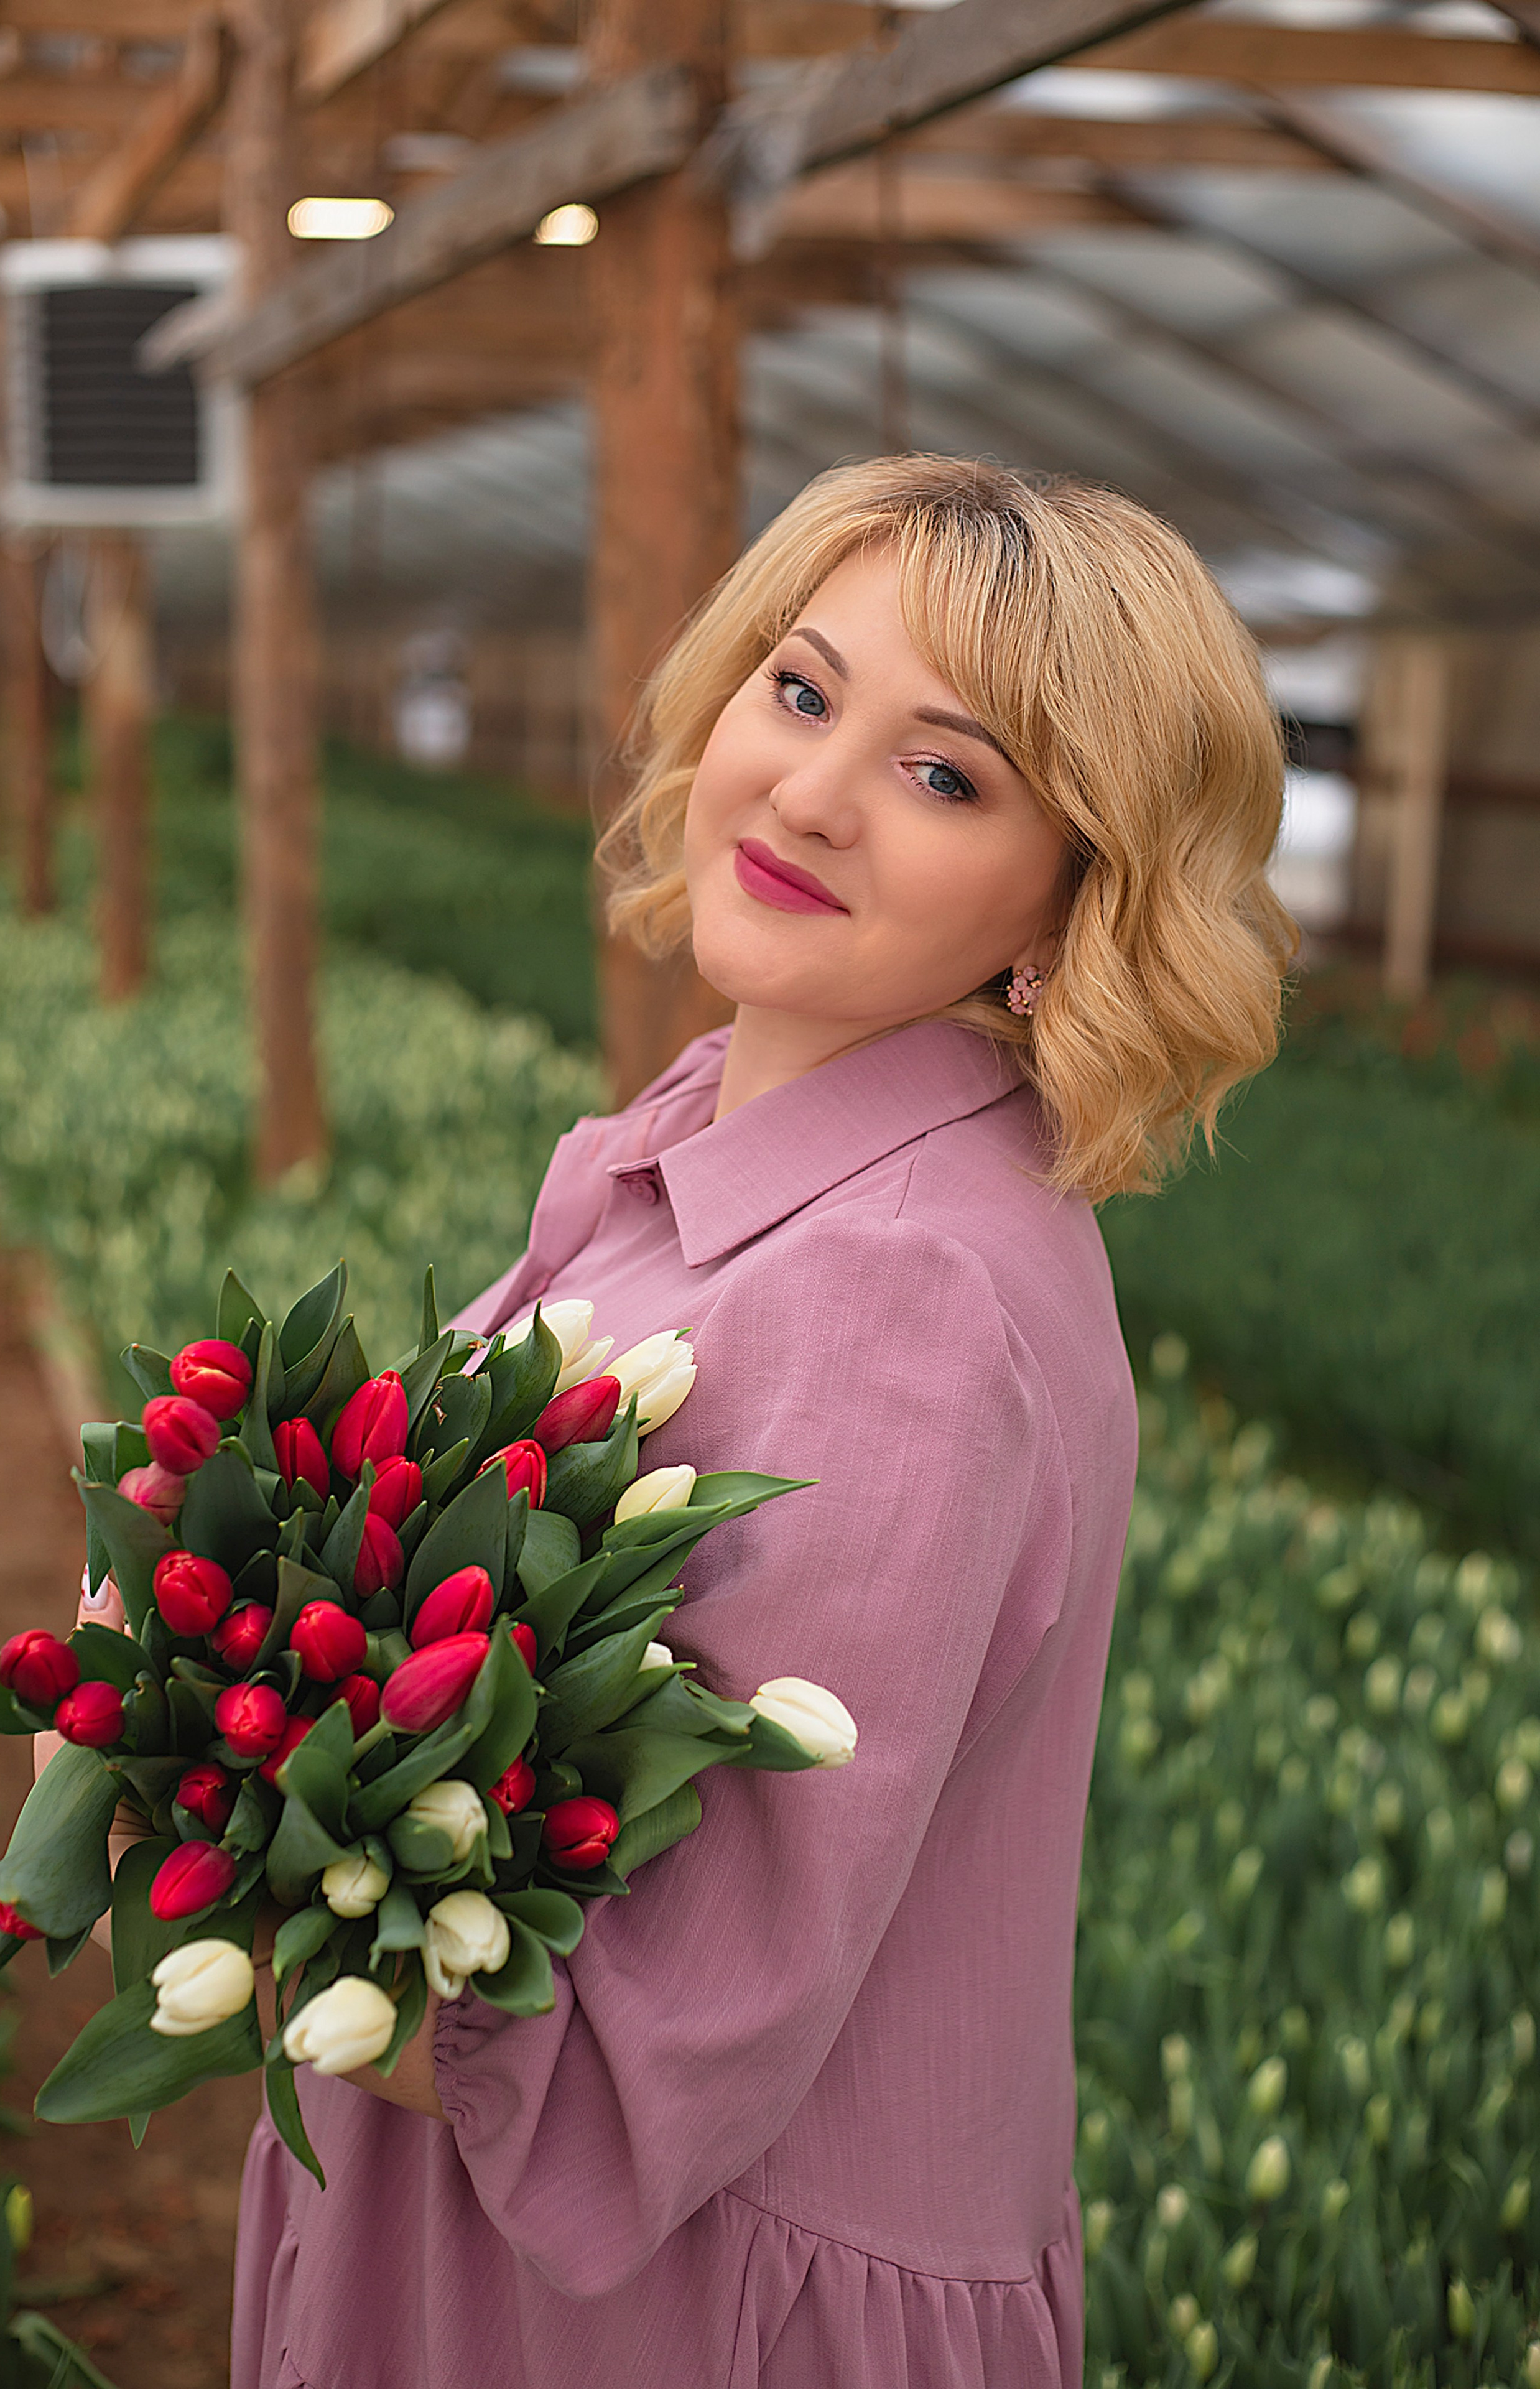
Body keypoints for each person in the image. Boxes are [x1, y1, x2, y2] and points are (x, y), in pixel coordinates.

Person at [225, 456, 1294, 2388]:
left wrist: (205, 1850)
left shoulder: (906, 1294)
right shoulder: (728, 1147)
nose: (810, 789)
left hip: (664, 2315)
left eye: (947, 773)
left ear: (1077, 896)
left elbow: (665, 2021)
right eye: (801, 691)